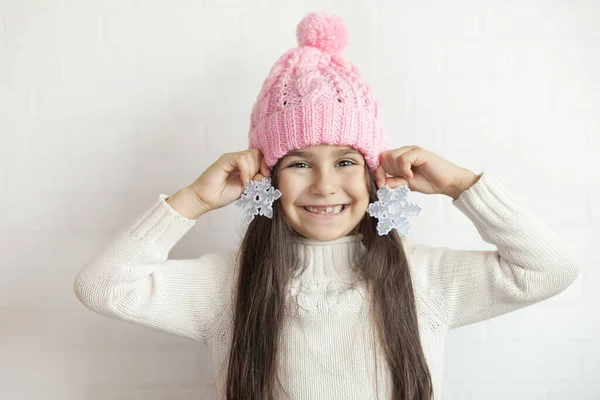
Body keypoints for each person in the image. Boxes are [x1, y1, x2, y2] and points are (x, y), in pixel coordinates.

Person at [73, 12, 579, 400]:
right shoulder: (228, 286)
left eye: (345, 162)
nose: (323, 185)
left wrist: (462, 185)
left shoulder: (425, 279)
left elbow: (547, 269)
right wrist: (195, 200)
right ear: (266, 177)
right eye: (297, 164)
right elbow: (104, 287)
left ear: (373, 173)